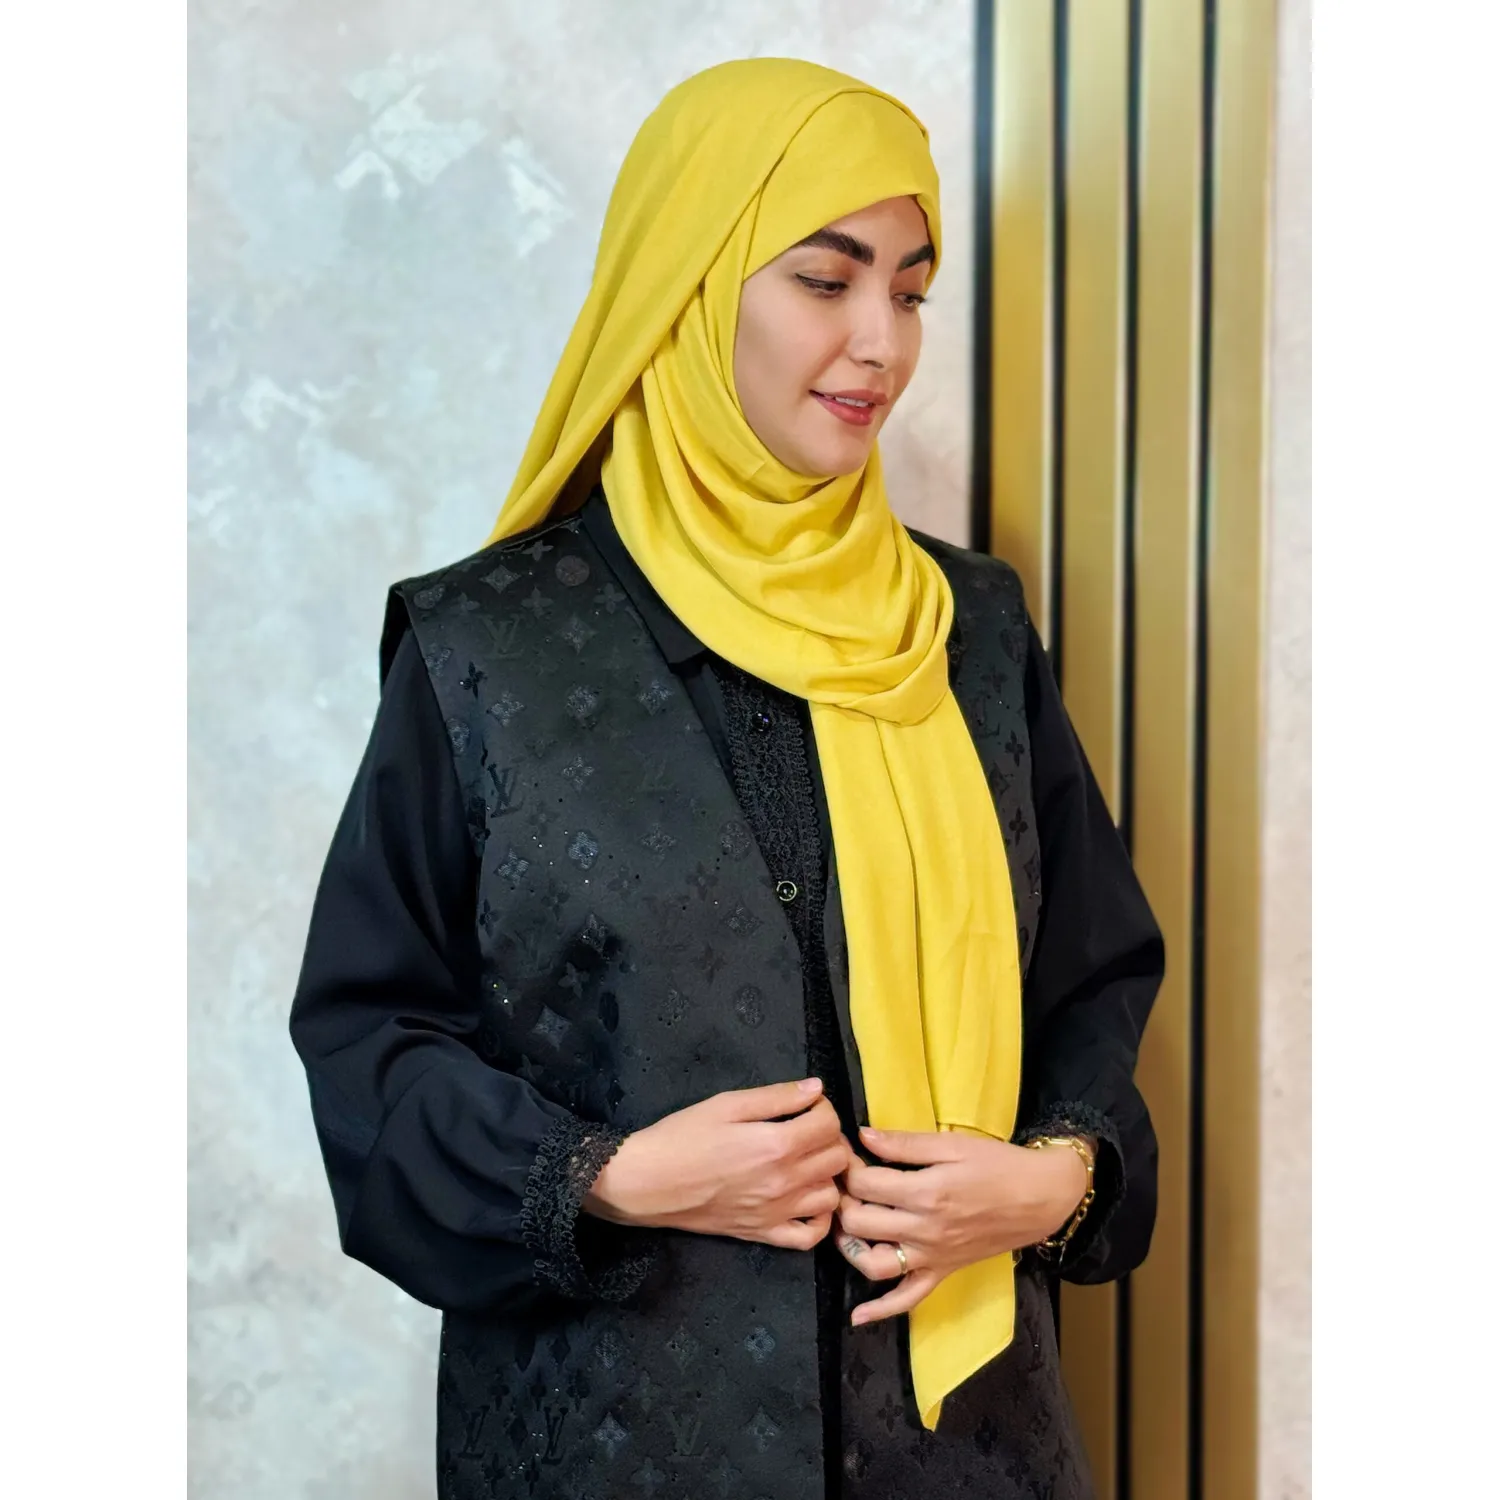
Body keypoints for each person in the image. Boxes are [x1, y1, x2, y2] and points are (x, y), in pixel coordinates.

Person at [290, 57, 1163, 1500]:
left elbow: (1091, 984)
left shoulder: (972, 635)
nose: (880, 341)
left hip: (967, 1452)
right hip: (610, 1442)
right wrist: (607, 1176)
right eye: (824, 279)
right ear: (689, 286)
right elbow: (370, 1038)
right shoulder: (489, 647)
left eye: (910, 291)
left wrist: (1055, 1180)